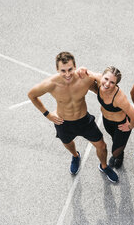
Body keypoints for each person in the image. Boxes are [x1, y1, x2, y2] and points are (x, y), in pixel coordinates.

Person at [27, 52, 119, 183]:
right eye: (63, 71)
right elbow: (31, 95)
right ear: (57, 69)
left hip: (84, 121)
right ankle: (75, 156)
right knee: (68, 143)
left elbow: (102, 84)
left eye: (70, 69)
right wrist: (48, 114)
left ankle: (104, 166)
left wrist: (90, 72)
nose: (67, 74)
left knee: (102, 146)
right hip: (63, 122)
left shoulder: (85, 78)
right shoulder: (51, 84)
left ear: (75, 66)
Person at [78, 66, 134, 169]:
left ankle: (118, 157)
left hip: (120, 125)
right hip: (107, 121)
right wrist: (81, 70)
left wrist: (129, 126)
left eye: (112, 82)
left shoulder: (119, 99)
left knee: (115, 151)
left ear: (116, 84)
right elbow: (84, 71)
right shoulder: (97, 78)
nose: (107, 84)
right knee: (115, 140)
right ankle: (119, 152)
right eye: (106, 79)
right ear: (102, 76)